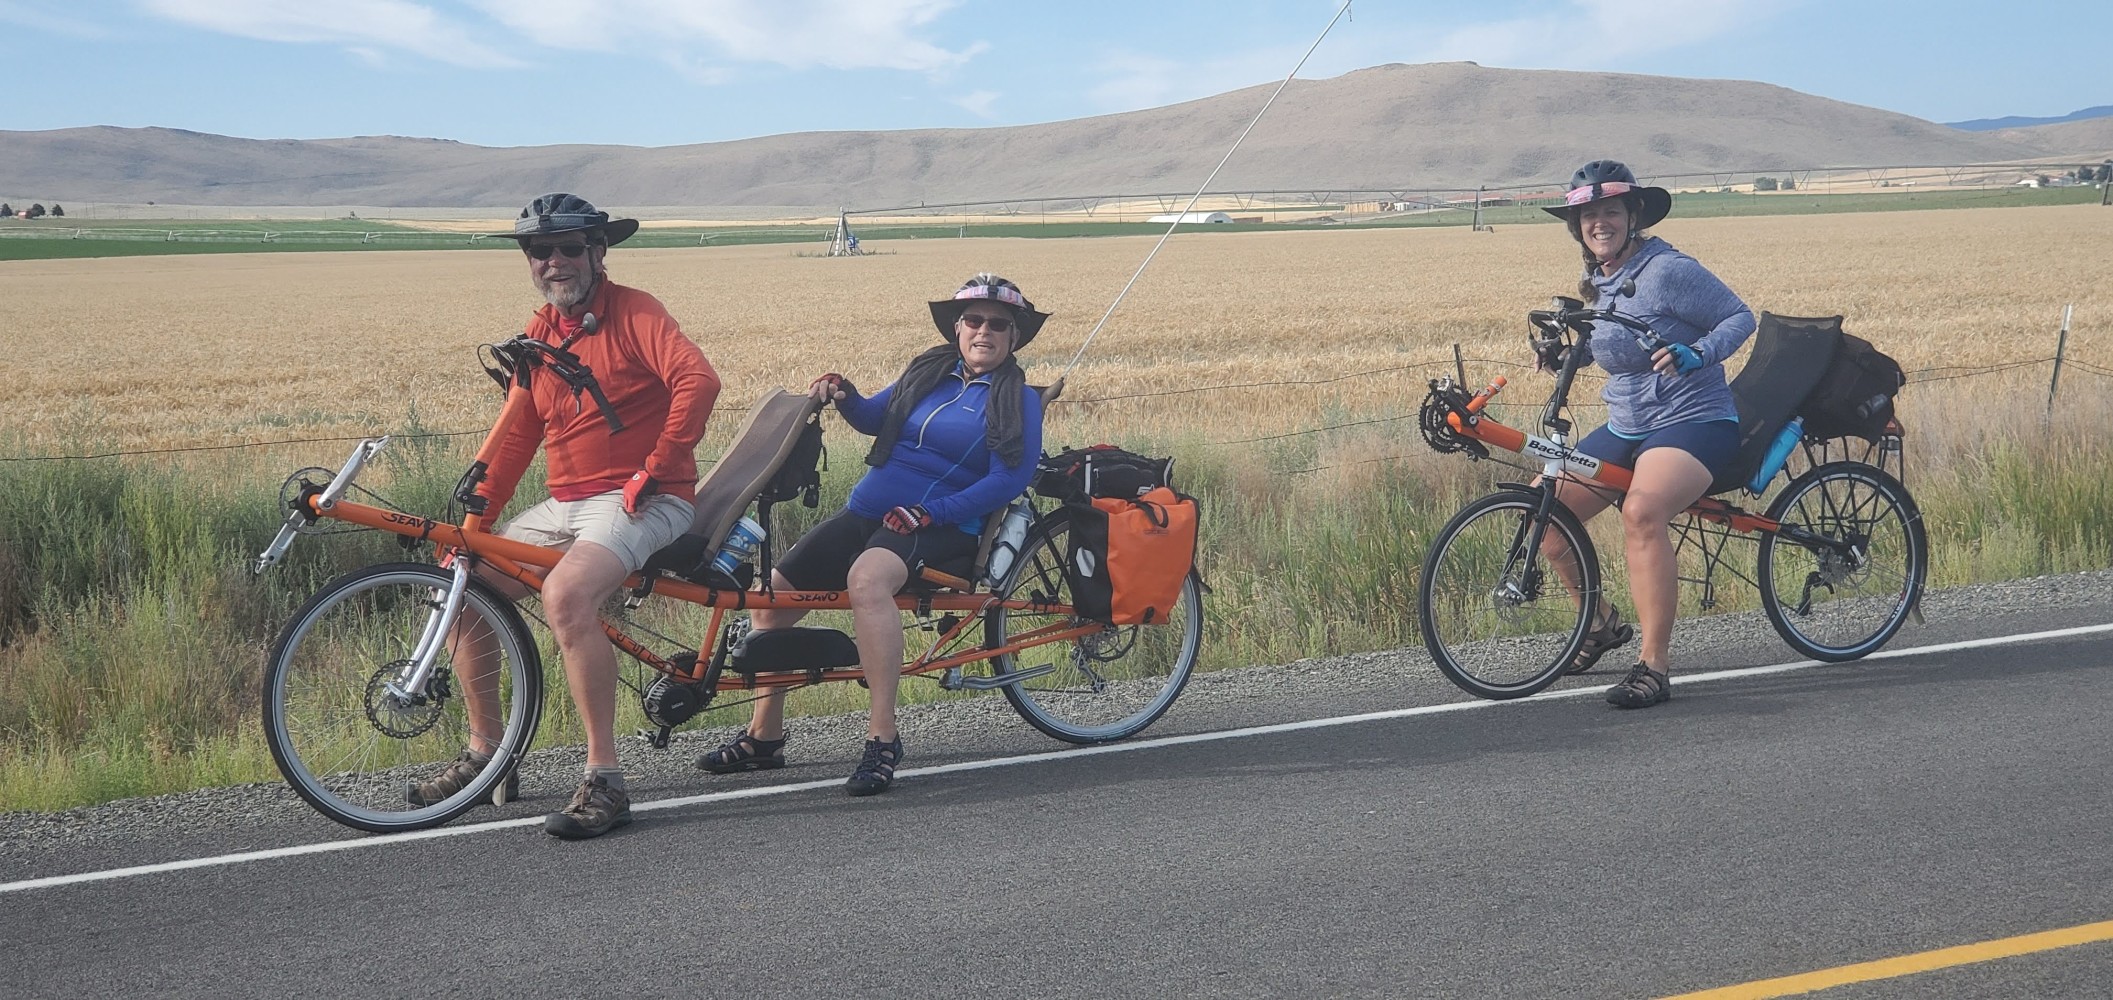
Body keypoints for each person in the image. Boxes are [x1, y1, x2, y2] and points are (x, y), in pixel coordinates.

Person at [411, 193, 721, 839]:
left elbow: (698, 381)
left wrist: (656, 467)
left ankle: (605, 778)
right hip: (568, 503)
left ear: (598, 252)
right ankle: (487, 756)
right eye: (539, 250)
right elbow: (517, 435)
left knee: (567, 594)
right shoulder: (541, 333)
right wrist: (475, 529)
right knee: (460, 587)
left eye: (569, 247)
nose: (554, 261)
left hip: (648, 497)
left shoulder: (636, 312)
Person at [698, 273, 1048, 795]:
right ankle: (764, 736)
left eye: (999, 324)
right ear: (957, 328)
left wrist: (930, 513)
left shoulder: (1016, 398)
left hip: (942, 526)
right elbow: (873, 418)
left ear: (1014, 337)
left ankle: (882, 737)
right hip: (867, 513)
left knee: (867, 581)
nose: (984, 331)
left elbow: (1009, 479)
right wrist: (843, 393)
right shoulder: (927, 372)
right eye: (973, 320)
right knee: (772, 596)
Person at [1536, 160, 1755, 709]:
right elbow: (1618, 342)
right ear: (1577, 227)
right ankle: (1601, 625)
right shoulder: (1605, 279)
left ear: (1632, 216)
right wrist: (1569, 354)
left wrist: (1697, 352)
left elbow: (1739, 317)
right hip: (1627, 425)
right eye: (1588, 215)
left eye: (1610, 211)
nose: (1598, 222)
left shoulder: (1668, 270)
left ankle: (1653, 665)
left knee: (1641, 513)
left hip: (1694, 421)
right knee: (1545, 521)